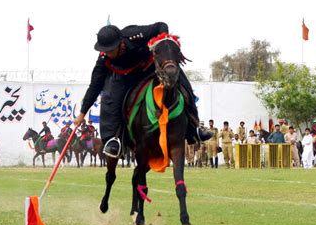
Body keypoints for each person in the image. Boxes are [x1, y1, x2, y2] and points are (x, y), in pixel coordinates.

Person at [73, 23, 212, 158]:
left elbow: (161, 26)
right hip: (126, 78)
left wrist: (161, 42)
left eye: (111, 49)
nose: (108, 53)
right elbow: (94, 86)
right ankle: (115, 140)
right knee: (112, 100)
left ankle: (195, 127)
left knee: (180, 80)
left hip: (150, 68)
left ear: (120, 42)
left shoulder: (133, 34)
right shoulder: (103, 59)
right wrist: (82, 113)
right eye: (105, 50)